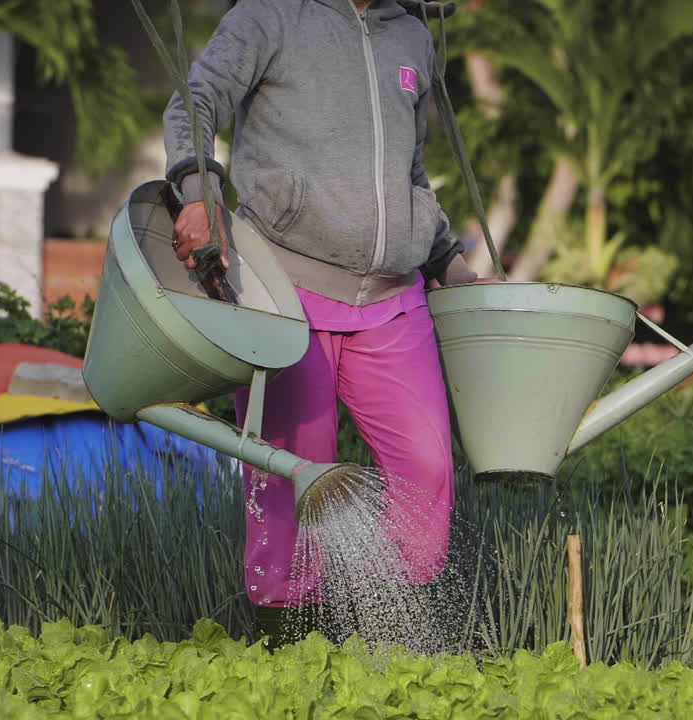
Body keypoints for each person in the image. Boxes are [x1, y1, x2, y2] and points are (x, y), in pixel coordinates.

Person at [162, 0, 487, 646]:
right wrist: (197, 194)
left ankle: (394, 648)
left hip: (395, 300)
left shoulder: (412, 39)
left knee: (428, 471)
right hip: (288, 291)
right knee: (290, 480)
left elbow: (409, 171)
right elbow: (193, 106)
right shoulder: (269, 15)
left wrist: (447, 258)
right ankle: (287, 653)